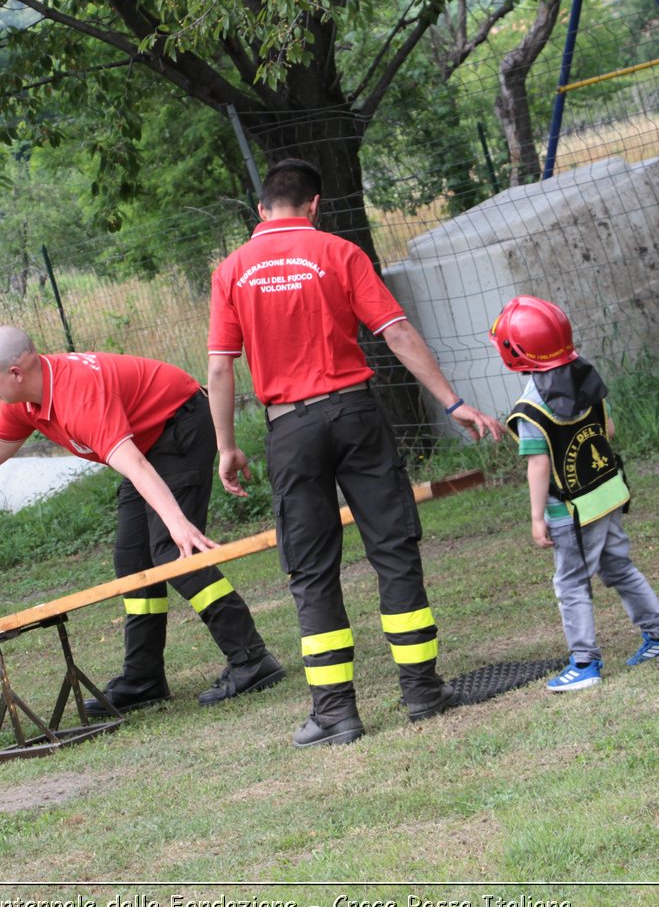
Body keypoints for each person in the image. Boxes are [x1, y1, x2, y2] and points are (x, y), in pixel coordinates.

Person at [207, 157, 504, 748]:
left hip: (289, 428)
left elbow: (220, 368)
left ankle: (336, 714)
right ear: (314, 205)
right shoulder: (339, 253)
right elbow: (395, 332)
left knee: (312, 571)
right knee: (392, 549)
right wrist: (454, 403)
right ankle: (422, 691)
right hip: (355, 414)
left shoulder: (232, 271)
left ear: (261, 210)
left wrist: (227, 447)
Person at [0, 326, 285, 716]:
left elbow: (132, 463)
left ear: (16, 373)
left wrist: (177, 523)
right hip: (147, 443)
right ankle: (144, 679)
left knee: (172, 551)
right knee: (133, 561)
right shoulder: (23, 400)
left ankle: (252, 659)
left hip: (178, 425)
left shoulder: (77, 395)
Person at [489, 295, 659, 692]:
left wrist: (535, 516)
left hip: (572, 513)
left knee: (572, 583)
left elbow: (538, 465)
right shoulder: (586, 379)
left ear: (515, 353)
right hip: (608, 495)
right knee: (618, 567)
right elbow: (608, 432)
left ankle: (584, 663)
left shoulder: (530, 410)